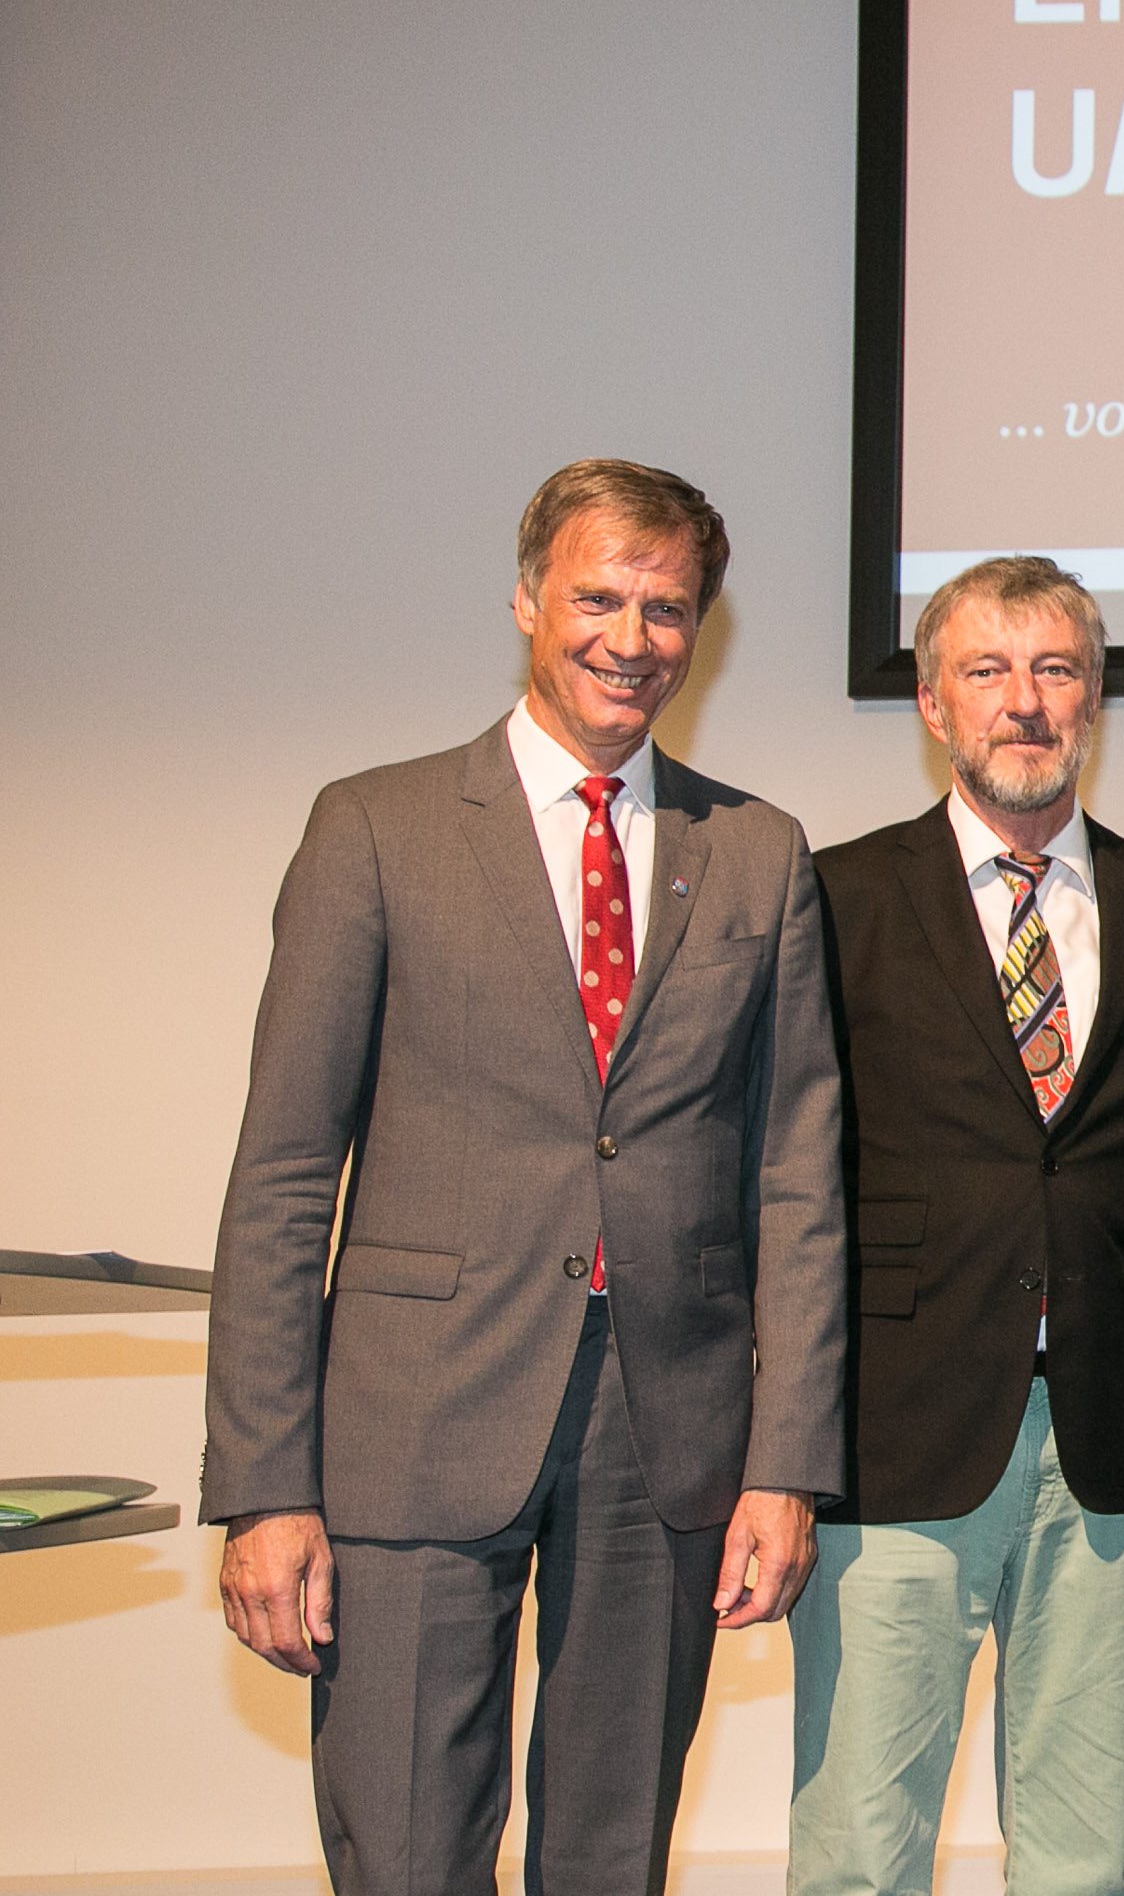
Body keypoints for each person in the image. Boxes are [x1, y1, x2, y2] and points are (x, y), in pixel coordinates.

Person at [202, 458, 845, 1896]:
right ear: (524, 600)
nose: (632, 635)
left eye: (667, 607)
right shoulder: (376, 827)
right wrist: (265, 1484)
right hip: (413, 1422)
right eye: (598, 595)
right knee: (412, 1847)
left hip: (669, 1435)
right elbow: (284, 1176)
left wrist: (787, 1461)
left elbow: (798, 1185)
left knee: (613, 1852)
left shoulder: (759, 855)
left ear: (703, 630)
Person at [790, 557, 1124, 1896]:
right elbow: (786, 1178)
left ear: (1094, 698)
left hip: (1115, 1427)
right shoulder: (832, 900)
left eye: (1057, 670)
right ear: (931, 701)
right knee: (861, 1840)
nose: (1027, 703)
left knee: (1080, 1855)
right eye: (990, 671)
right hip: (894, 1428)